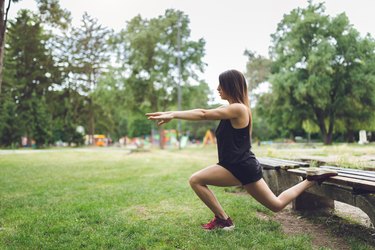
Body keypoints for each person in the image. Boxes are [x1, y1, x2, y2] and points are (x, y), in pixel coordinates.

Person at [146, 69, 337, 231]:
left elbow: (203, 113)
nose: (217, 88)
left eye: (221, 85)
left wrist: (174, 114)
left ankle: (223, 220)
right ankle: (311, 180)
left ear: (230, 86)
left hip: (241, 166)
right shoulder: (233, 108)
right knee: (276, 205)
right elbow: (204, 112)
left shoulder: (239, 109)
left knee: (197, 180)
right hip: (236, 165)